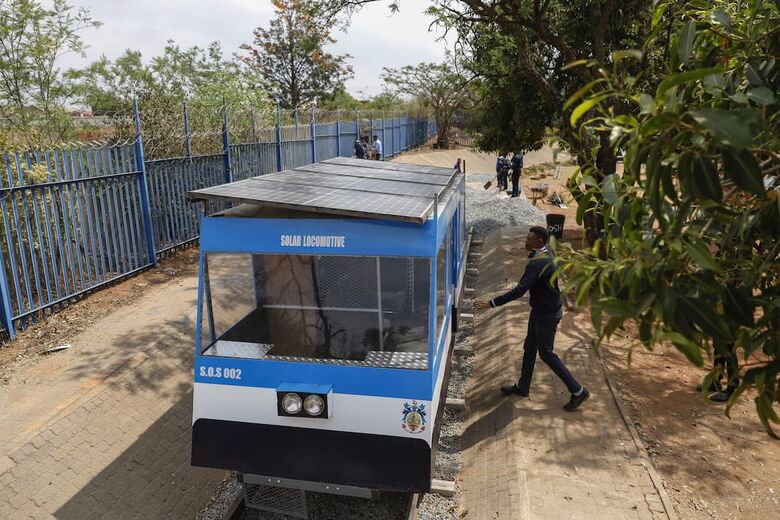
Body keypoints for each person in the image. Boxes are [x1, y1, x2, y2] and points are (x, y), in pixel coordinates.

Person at [474, 226, 590, 411]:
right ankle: (523, 386)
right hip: (542, 310)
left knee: (546, 353)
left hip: (547, 315)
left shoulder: (536, 263)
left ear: (539, 241)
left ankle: (578, 391)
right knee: (529, 347)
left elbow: (520, 290)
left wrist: (492, 303)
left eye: (529, 239)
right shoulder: (547, 253)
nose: (525, 241)